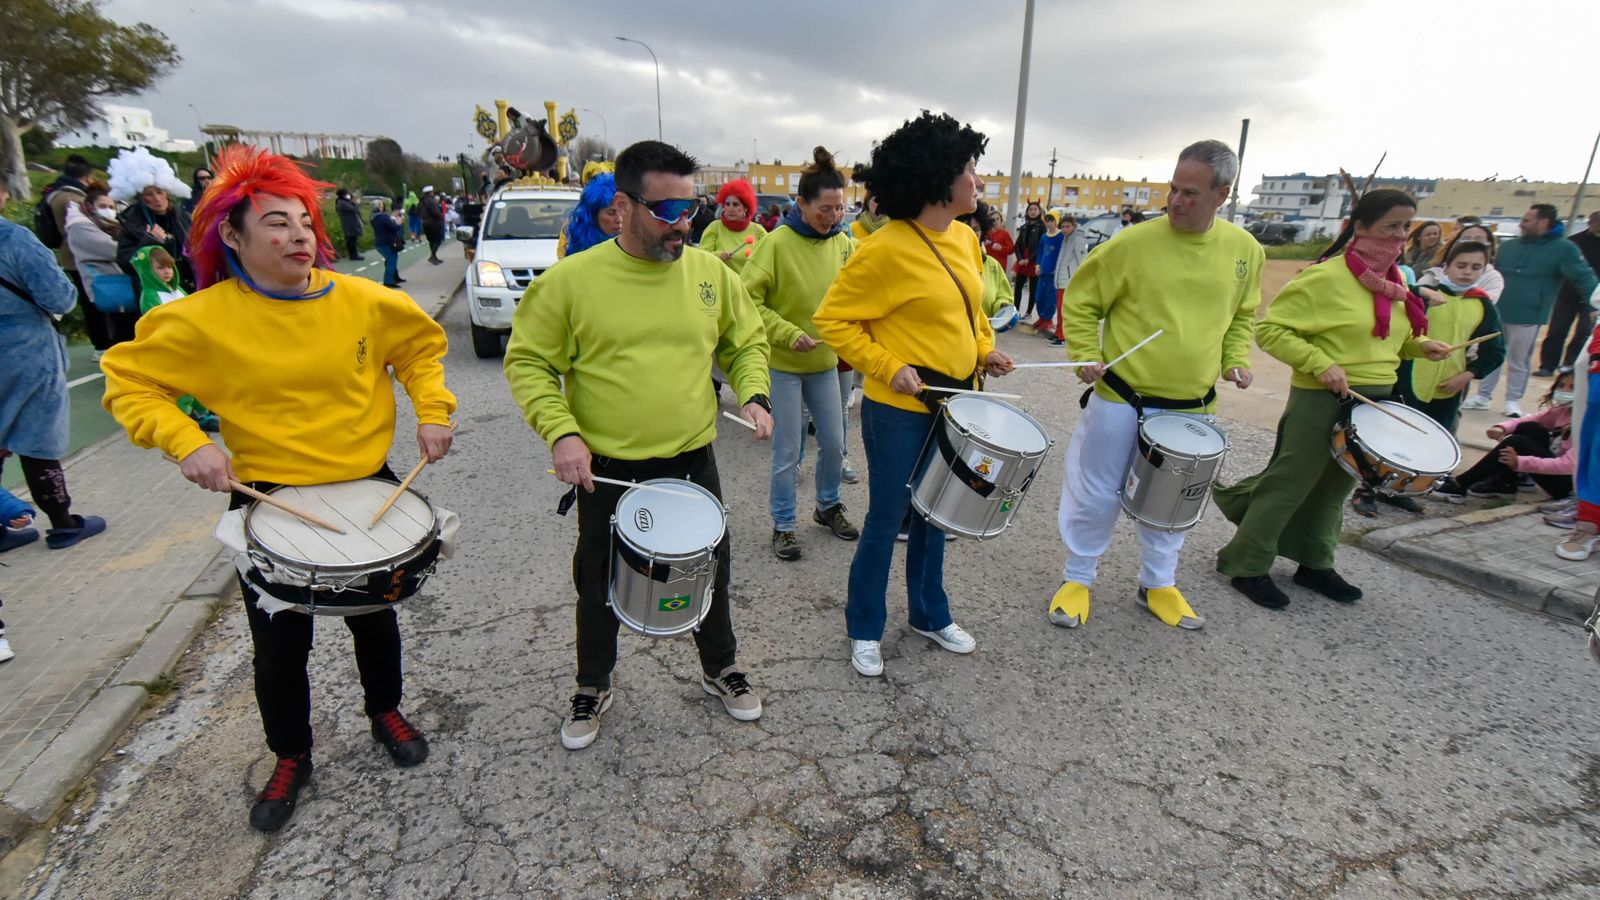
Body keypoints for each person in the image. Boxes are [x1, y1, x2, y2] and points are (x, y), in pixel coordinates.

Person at [100, 146, 456, 832]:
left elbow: (418, 349)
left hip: (367, 486)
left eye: (302, 221)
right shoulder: (202, 319)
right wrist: (189, 443)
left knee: (375, 618)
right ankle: (291, 753)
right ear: (232, 238)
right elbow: (130, 381)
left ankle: (385, 710)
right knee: (280, 643)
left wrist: (434, 411)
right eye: (275, 223)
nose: (299, 235)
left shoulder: (365, 301)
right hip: (269, 497)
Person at [503, 140, 773, 750]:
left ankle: (720, 666)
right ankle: (592, 683)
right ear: (623, 206)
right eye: (667, 210)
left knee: (711, 568)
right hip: (608, 468)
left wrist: (754, 393)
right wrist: (562, 433)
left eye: (691, 208)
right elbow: (529, 362)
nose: (683, 224)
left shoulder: (710, 275)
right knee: (597, 579)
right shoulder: (571, 282)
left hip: (691, 459)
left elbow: (745, 341)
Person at [813, 111, 1014, 679]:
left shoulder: (967, 239)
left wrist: (984, 351)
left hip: (958, 404)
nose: (977, 180)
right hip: (899, 409)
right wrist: (887, 365)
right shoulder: (884, 249)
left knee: (937, 515)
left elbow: (972, 314)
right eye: (969, 170)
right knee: (887, 518)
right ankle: (864, 626)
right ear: (937, 180)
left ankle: (929, 613)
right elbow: (832, 320)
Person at [1047, 139, 1262, 633]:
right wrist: (1085, 355)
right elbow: (1081, 300)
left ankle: (1158, 583)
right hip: (1122, 397)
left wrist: (1235, 360)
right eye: (1173, 188)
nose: (1176, 201)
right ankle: (1078, 577)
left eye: (1190, 193)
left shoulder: (1245, 251)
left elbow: (1242, 315)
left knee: (1172, 502)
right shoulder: (1132, 244)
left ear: (1223, 194)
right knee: (1097, 491)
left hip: (1192, 405)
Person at [1215, 189, 1451, 609]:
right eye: (1390, 227)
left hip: (1375, 401)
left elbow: (1388, 341)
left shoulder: (1395, 284)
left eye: (1406, 227)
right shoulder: (1324, 278)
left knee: (1334, 488)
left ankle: (1315, 562)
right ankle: (1246, 564)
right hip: (1320, 398)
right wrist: (1319, 363)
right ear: (1360, 227)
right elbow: (1271, 330)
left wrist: (1420, 347)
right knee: (1290, 484)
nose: (1400, 236)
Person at [742, 146, 860, 561]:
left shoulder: (843, 244)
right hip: (784, 366)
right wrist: (787, 333)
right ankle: (784, 524)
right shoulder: (775, 244)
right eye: (825, 209)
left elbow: (859, 292)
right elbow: (747, 301)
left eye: (839, 208)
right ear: (801, 204)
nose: (834, 216)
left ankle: (828, 505)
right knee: (788, 449)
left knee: (834, 443)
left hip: (825, 364)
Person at [0, 177, 108, 552]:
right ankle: (62, 523)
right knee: (38, 436)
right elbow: (59, 297)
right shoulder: (14, 239)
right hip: (25, 348)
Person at [1462, 204, 1598, 417]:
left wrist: (1595, 304)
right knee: (1491, 353)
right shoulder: (1509, 247)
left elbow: (1583, 277)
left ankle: (1512, 399)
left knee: (1519, 360)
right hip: (1497, 311)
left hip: (1529, 315)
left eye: (1527, 220)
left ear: (1543, 222)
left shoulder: (1563, 248)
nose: (1521, 224)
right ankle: (1483, 396)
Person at [1400, 241, 1505, 433]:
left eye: (1476, 267)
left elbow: (1495, 351)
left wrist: (1466, 376)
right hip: (1409, 380)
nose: (1467, 272)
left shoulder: (1484, 305)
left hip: (1449, 387)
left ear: (1484, 271)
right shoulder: (1426, 295)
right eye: (1461, 265)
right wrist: (1418, 290)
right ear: (1446, 266)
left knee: (1436, 438)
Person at [1436, 370, 1574, 502]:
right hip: (1560, 473)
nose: (1564, 391)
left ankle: (1460, 484)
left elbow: (1568, 465)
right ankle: (1505, 483)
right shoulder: (1562, 411)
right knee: (1529, 427)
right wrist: (1502, 427)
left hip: (1572, 488)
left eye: (1572, 387)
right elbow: (1531, 419)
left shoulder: (1585, 423)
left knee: (1516, 442)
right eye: (1561, 385)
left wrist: (1521, 462)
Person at [42, 155, 113, 354]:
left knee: (90, 302)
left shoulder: (55, 194)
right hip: (83, 256)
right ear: (87, 176)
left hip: (70, 256)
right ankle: (103, 344)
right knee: (96, 303)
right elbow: (84, 230)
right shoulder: (73, 200)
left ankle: (101, 344)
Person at [110, 148, 194, 300]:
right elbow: (126, 262)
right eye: (149, 194)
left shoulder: (181, 215)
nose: (157, 198)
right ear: (140, 197)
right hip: (155, 293)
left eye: (160, 192)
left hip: (186, 287)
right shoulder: (131, 220)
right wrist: (149, 242)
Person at [63, 182, 127, 345]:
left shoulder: (107, 225)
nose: (108, 210)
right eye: (102, 206)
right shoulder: (80, 227)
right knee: (116, 329)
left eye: (111, 207)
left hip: (118, 283)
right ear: (90, 206)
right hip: (106, 284)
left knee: (123, 326)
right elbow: (113, 250)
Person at [1536, 211, 1600, 376]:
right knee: (1557, 330)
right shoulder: (1573, 242)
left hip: (1594, 297)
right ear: (1590, 223)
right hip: (1567, 294)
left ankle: (1570, 365)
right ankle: (1547, 365)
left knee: (1584, 332)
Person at [698, 179, 767, 274]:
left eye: (735, 204)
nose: (730, 208)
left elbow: (768, 258)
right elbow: (702, 256)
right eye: (727, 204)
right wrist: (719, 256)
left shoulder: (757, 230)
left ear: (745, 208)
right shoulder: (715, 227)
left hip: (749, 282)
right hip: (722, 281)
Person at [556, 172, 620, 258]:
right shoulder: (578, 251)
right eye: (611, 213)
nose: (619, 219)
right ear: (593, 215)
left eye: (624, 211)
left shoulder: (634, 248)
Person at [1050, 215, 1089, 346]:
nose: (1065, 229)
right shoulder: (1066, 239)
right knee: (1060, 309)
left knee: (1064, 310)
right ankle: (1058, 333)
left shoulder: (1077, 239)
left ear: (1074, 226)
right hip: (1061, 280)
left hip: (1068, 281)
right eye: (1063, 227)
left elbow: (1083, 260)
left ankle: (1063, 337)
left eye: (1068, 226)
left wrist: (1081, 280)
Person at [1030, 211, 1064, 332]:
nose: (1049, 223)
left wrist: (1057, 268)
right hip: (1043, 271)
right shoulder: (1044, 237)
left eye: (1051, 220)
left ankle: (1048, 319)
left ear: (1057, 221)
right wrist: (1038, 265)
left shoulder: (1061, 236)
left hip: (1053, 273)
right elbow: (1040, 252)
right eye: (1047, 220)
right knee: (1039, 296)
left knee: (1050, 297)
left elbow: (1062, 253)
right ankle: (1042, 317)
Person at [1012, 201, 1044, 318]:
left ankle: (1029, 313)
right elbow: (1017, 245)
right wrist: (1020, 258)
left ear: (1039, 211)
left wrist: (1029, 259)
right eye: (1030, 209)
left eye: (1035, 209)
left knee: (1033, 288)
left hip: (1034, 260)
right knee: (1018, 287)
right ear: (1027, 212)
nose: (1033, 212)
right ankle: (1015, 311)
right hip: (1022, 261)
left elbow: (1040, 246)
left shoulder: (1042, 227)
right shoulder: (1024, 227)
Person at [370, 199, 405, 288]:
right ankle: (388, 281)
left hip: (379, 242)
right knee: (391, 259)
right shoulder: (382, 217)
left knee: (391, 258)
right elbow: (393, 227)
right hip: (386, 242)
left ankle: (394, 277)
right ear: (380, 207)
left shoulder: (373, 217)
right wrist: (399, 223)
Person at [334, 188, 365, 261]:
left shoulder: (344, 202)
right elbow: (354, 209)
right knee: (351, 240)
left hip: (350, 223)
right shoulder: (342, 203)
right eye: (347, 193)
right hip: (349, 223)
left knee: (353, 239)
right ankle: (353, 255)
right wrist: (356, 203)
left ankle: (354, 254)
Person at [419, 186, 445, 265]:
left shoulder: (421, 202)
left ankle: (434, 257)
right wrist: (441, 217)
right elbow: (436, 212)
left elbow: (418, 211)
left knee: (431, 241)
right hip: (434, 223)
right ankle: (432, 256)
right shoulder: (431, 201)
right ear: (430, 193)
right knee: (438, 240)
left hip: (425, 223)